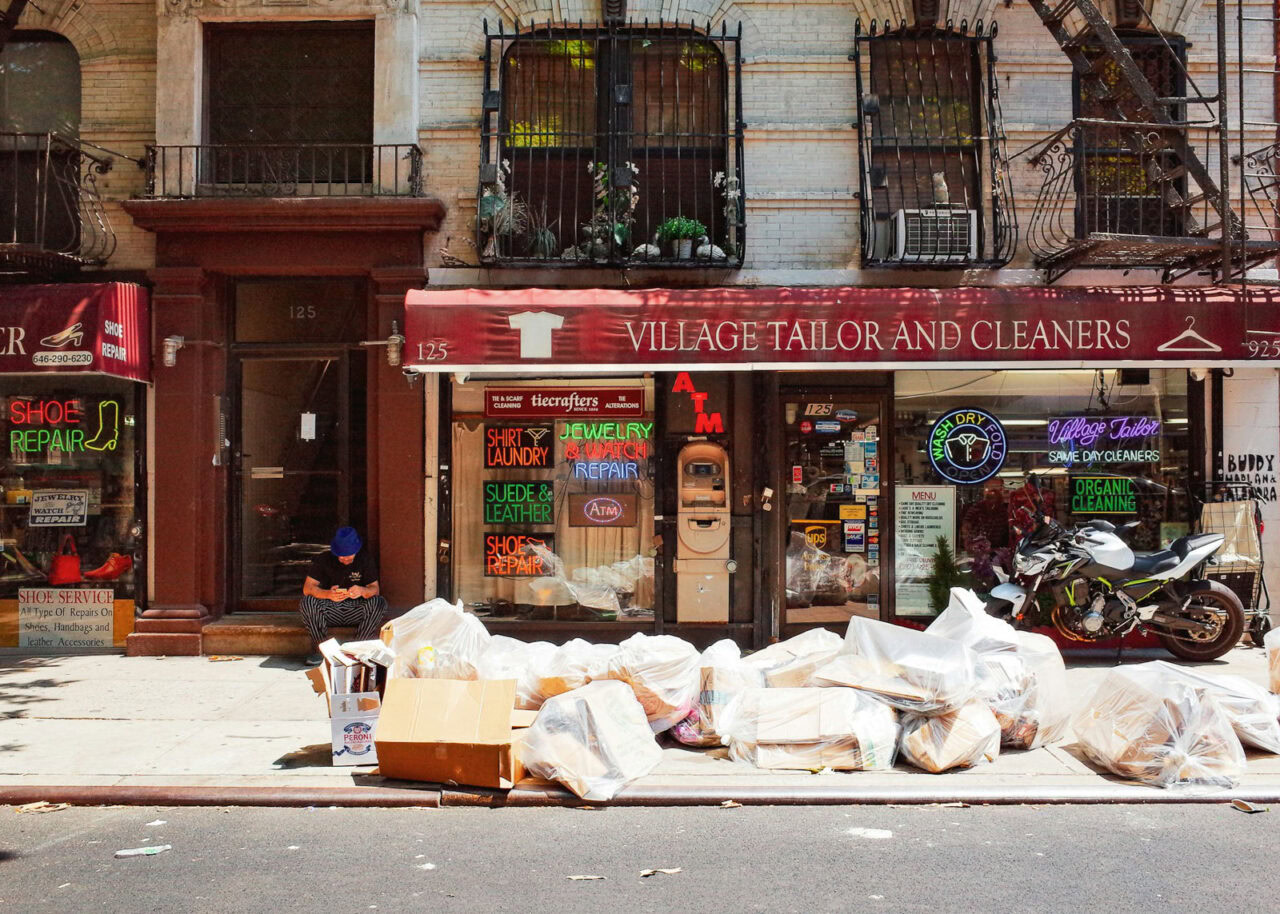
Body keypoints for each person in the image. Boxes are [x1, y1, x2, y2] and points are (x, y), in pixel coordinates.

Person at [300, 526, 386, 665]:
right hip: (330, 609)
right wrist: (327, 594)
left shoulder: (365, 559)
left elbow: (375, 589)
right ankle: (321, 649)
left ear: (356, 551)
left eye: (349, 555)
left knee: (379, 602)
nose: (345, 559)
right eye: (342, 556)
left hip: (356, 609)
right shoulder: (323, 560)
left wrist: (362, 591)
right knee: (307, 602)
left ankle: (357, 648)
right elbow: (307, 588)